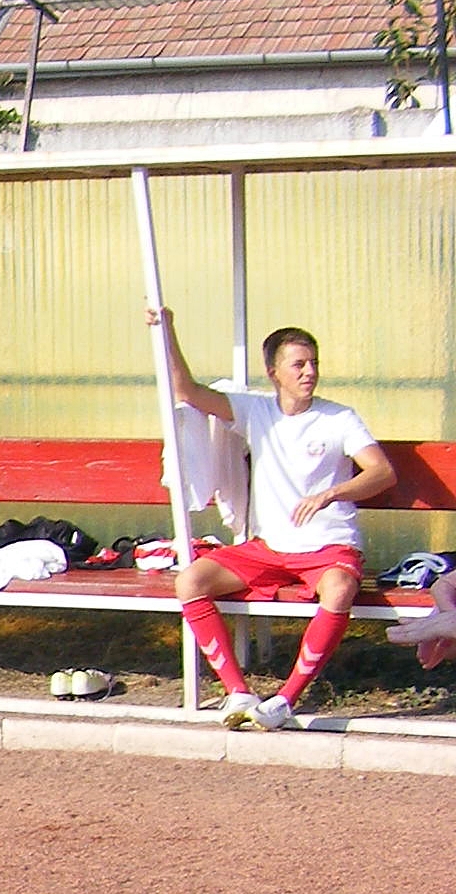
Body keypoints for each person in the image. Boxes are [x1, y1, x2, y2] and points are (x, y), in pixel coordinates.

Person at [152, 312, 397, 731]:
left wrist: (331, 493)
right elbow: (186, 390)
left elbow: (382, 473)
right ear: (274, 373)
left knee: (339, 590)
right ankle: (239, 692)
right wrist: (166, 328)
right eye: (299, 364)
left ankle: (285, 700)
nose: (310, 372)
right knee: (190, 581)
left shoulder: (340, 418)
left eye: (314, 363)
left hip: (328, 546)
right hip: (269, 548)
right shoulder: (255, 411)